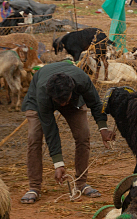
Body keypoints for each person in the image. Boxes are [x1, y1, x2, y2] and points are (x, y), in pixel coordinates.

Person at [20, 61, 115, 204]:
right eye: (59, 101)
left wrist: (103, 128)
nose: (62, 105)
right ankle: (34, 187)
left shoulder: (82, 80)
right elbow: (50, 129)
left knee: (83, 135)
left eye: (64, 100)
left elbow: (95, 103)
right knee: (34, 137)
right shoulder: (42, 92)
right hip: (38, 100)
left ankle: (81, 183)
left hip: (74, 100)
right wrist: (58, 164)